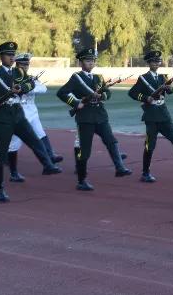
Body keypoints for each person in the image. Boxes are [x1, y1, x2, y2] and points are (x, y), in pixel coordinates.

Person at [0, 41, 61, 202]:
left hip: (18, 113)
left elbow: (31, 83)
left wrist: (22, 89)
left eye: (13, 55)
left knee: (34, 140)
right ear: (1, 56)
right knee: (0, 154)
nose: (12, 58)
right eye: (8, 55)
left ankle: (48, 165)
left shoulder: (18, 72)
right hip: (2, 116)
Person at [56, 47, 131, 191]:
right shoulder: (76, 78)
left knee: (111, 141)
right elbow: (62, 93)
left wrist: (101, 96)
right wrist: (76, 103)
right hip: (85, 118)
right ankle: (81, 180)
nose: (91, 63)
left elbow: (107, 93)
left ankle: (119, 167)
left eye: (93, 60)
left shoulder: (98, 77)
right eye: (88, 60)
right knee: (85, 150)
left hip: (100, 115)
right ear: (81, 63)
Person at [128, 50, 173, 183]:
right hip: (151, 116)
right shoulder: (143, 78)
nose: (157, 63)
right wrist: (146, 98)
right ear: (149, 63)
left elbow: (171, 91)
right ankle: (145, 172)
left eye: (158, 61)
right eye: (154, 61)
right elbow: (132, 93)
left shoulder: (163, 77)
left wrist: (168, 88)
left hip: (164, 114)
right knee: (150, 145)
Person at [5, 52, 63, 181]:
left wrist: (28, 87)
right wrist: (26, 87)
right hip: (19, 113)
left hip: (32, 112)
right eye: (22, 64)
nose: (25, 67)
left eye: (27, 64)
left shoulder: (31, 78)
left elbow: (43, 89)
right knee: (14, 144)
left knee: (41, 134)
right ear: (17, 64)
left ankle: (49, 161)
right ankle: (12, 171)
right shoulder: (10, 77)